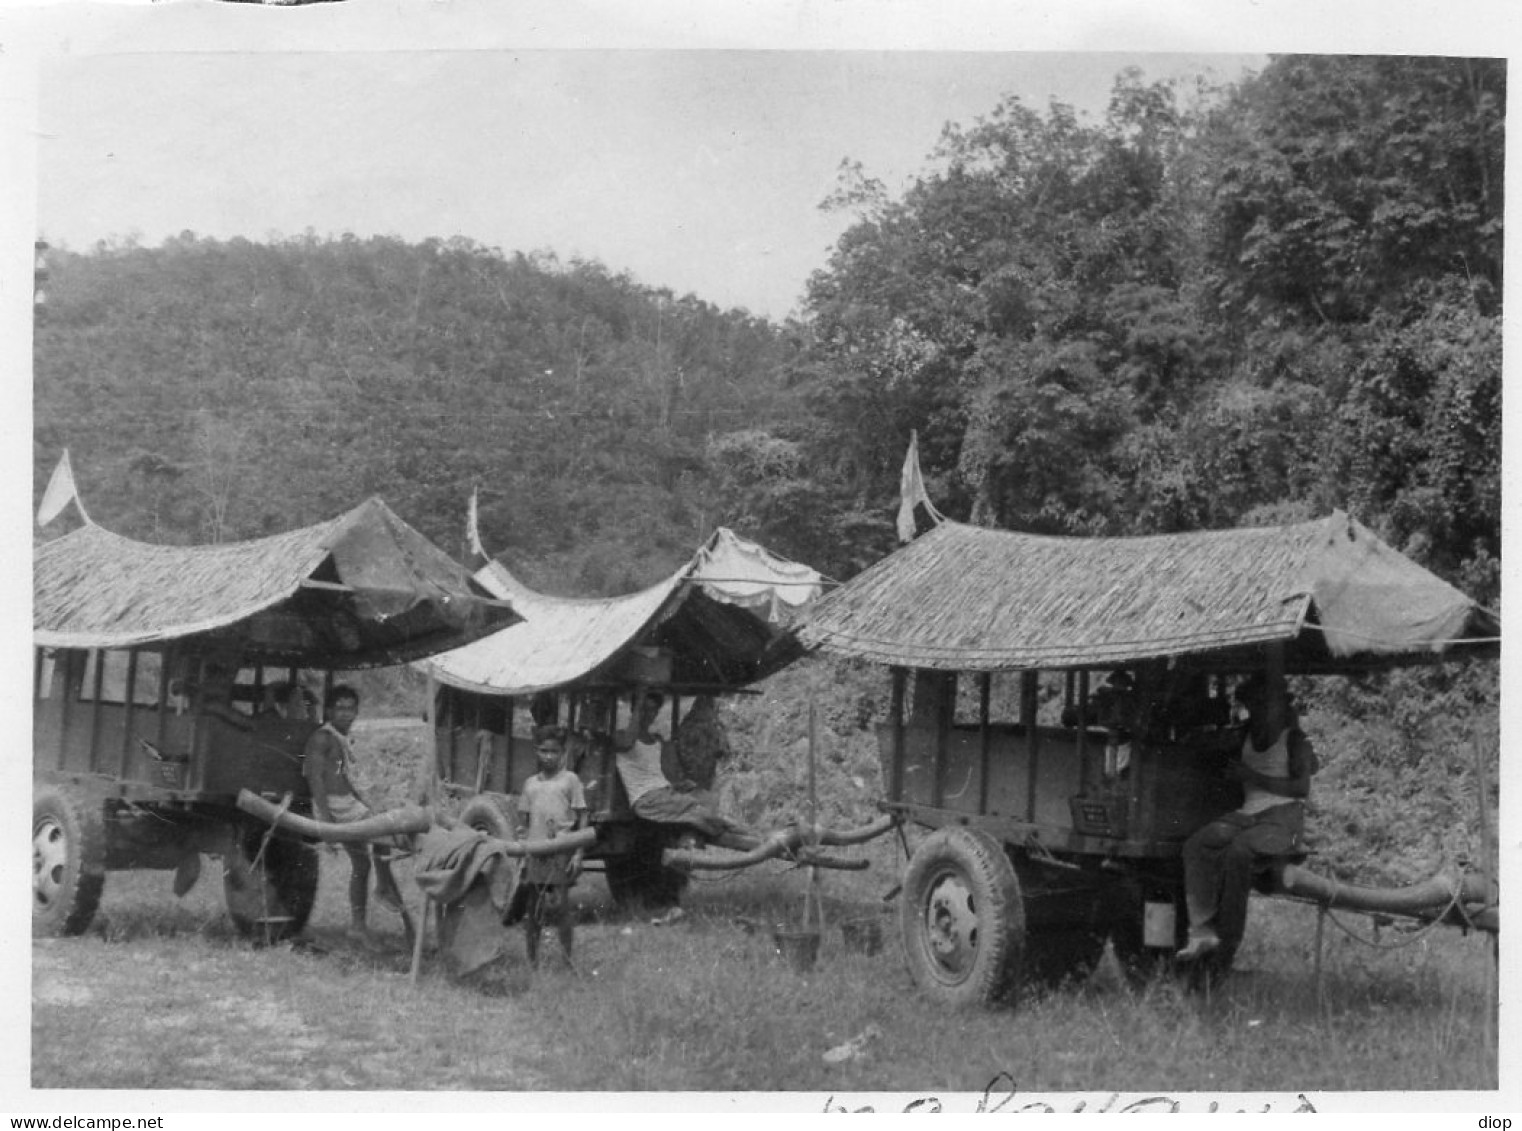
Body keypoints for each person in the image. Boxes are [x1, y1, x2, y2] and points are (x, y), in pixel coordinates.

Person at [1177, 671, 1318, 962]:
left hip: (1283, 820)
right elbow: (1210, 744)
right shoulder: (1245, 733)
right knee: (1196, 845)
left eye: (1262, 705)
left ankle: (1227, 942)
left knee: (1239, 851)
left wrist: (1252, 776)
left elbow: (1301, 788)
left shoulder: (1295, 740)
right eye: (1252, 706)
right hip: (1249, 815)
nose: (1256, 711)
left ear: (1279, 706)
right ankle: (1202, 930)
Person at [302, 684, 407, 942]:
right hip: (335, 807)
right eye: (340, 709)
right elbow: (315, 778)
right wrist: (325, 820)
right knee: (383, 831)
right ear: (328, 711)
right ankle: (382, 887)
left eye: (350, 709)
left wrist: (364, 803)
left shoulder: (340, 738)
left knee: (362, 862)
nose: (346, 714)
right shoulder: (322, 738)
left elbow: (345, 778)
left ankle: (358, 926)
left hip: (347, 803)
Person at [614, 689, 754, 850]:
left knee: (707, 799)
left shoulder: (657, 740)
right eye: (643, 709)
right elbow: (627, 742)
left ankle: (694, 839)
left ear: (656, 712)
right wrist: (638, 704)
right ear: (634, 710)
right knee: (697, 809)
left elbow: (667, 775)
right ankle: (755, 837)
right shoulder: (621, 737)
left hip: (664, 793)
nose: (648, 714)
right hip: (646, 799)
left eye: (652, 710)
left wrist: (681, 784)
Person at [511, 726, 587, 968]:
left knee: (561, 907)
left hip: (560, 851)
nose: (548, 756)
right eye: (544, 751)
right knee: (533, 909)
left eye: (554, 752)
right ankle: (532, 962)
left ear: (562, 753)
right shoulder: (530, 784)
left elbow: (582, 816)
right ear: (537, 752)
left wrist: (578, 853)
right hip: (535, 851)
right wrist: (522, 851)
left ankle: (567, 961)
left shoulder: (570, 781)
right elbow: (522, 821)